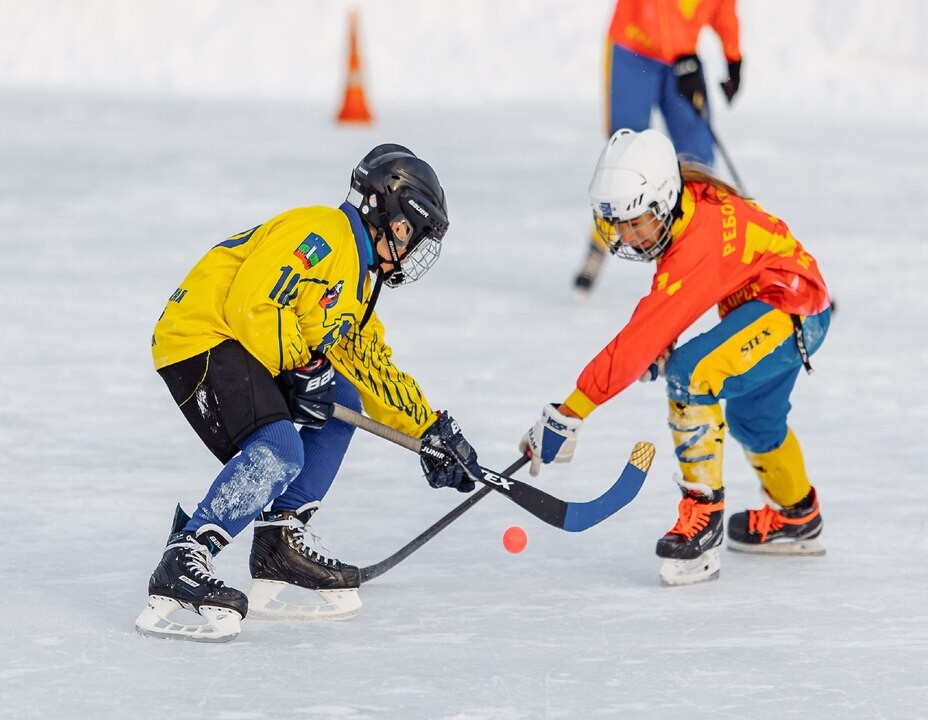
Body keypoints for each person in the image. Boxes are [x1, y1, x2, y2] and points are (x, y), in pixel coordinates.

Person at [135, 144, 484, 642]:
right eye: (408, 231)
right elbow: (253, 303)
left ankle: (279, 540)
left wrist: (429, 429)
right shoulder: (322, 233)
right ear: (379, 209)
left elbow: (367, 364)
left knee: (343, 401)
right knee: (279, 448)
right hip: (201, 339)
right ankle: (184, 558)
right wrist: (304, 366)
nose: (408, 249)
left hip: (245, 343)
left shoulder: (358, 282)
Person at [524, 128, 831, 586]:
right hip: (788, 307)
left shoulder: (697, 237)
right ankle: (799, 516)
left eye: (635, 220)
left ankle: (703, 518)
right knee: (754, 421)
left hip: (791, 313)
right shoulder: (690, 210)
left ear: (664, 200)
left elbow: (638, 339)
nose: (626, 234)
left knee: (690, 374)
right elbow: (680, 303)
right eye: (617, 223)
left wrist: (570, 414)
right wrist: (659, 341)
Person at [574, 0, 743, 294]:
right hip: (634, 50)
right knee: (625, 155)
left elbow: (722, 7)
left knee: (699, 154)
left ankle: (707, 248)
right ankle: (600, 242)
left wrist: (733, 57)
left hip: (681, 58)